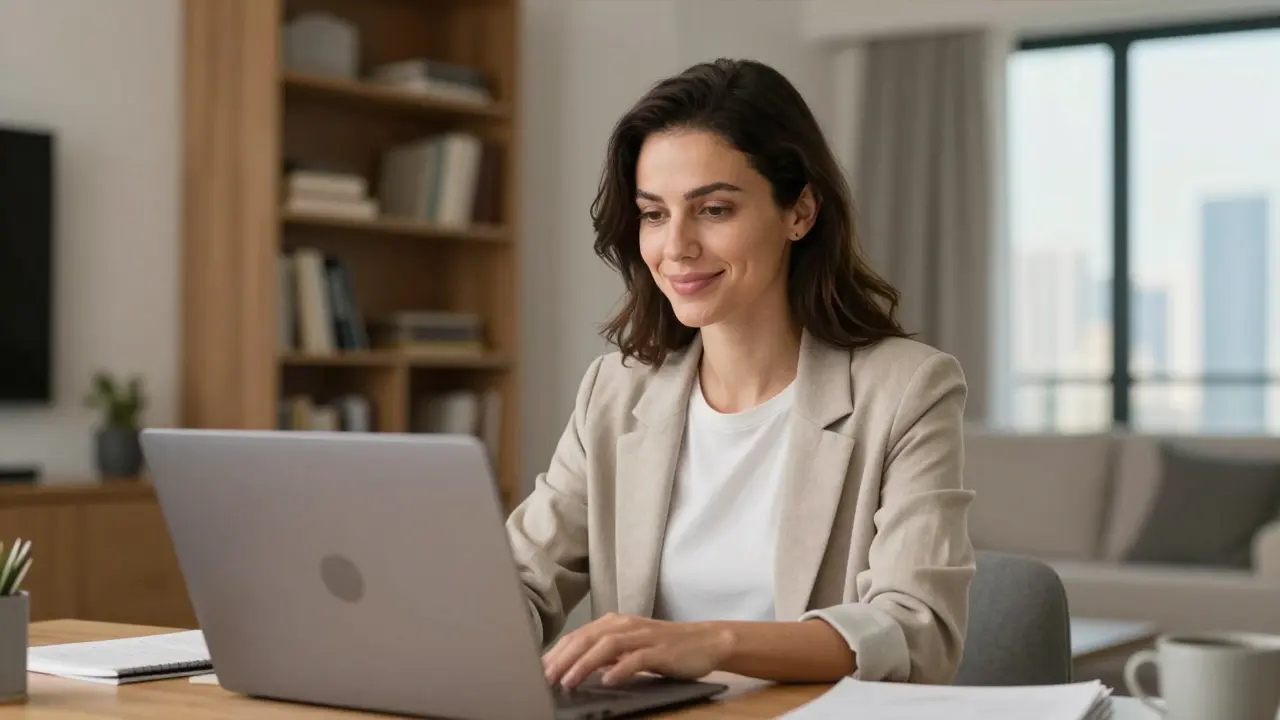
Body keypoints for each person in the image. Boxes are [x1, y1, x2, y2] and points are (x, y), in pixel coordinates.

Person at [505, 57, 976, 691]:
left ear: (799, 212)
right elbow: (523, 580)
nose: (676, 247)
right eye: (653, 214)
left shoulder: (908, 391)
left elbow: (917, 630)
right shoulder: (614, 392)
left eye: (714, 209)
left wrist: (711, 642)